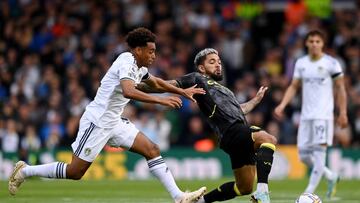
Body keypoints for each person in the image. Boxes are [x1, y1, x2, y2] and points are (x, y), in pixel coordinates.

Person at [8, 27, 207, 203]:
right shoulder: (126, 61)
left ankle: (179, 197)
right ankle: (25, 171)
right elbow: (129, 91)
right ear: (138, 50)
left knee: (152, 149)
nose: (154, 55)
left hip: (114, 121)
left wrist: (182, 91)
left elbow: (155, 82)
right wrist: (162, 101)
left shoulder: (140, 66)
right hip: (97, 122)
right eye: (151, 51)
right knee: (75, 172)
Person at [137, 48, 277, 203]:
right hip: (231, 131)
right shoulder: (197, 78)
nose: (218, 65)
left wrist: (255, 101)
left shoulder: (225, 90)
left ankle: (200, 201)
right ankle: (263, 192)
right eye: (212, 62)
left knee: (244, 187)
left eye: (218, 62)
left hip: (235, 137)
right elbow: (161, 85)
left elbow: (239, 110)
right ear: (201, 68)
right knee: (267, 139)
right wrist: (134, 84)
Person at [274, 30, 348, 199]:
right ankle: (331, 176)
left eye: (318, 41)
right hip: (306, 116)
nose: (314, 44)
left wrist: (342, 112)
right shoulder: (301, 63)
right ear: (306, 43)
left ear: (323, 44)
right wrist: (283, 104)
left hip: (323, 116)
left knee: (319, 153)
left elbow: (341, 88)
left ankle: (308, 193)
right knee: (303, 156)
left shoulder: (331, 63)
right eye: (311, 41)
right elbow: (294, 86)